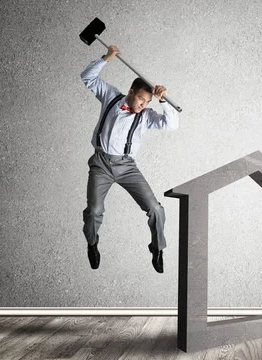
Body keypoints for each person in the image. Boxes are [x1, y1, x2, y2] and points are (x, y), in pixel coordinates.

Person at [80, 45, 179, 273]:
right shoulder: (111, 97)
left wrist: (162, 101)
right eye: (141, 100)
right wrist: (107, 58)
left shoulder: (146, 117)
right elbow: (87, 77)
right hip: (101, 164)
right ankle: (92, 243)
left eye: (147, 103)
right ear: (131, 91)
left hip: (127, 167)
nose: (143, 105)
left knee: (155, 208)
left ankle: (157, 248)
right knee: (94, 210)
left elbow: (171, 125)